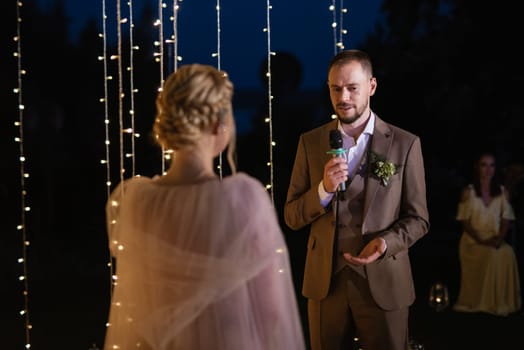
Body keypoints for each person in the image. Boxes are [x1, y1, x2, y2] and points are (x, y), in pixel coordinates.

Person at [103, 64, 305, 350]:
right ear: (217, 123)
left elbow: (134, 307)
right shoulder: (244, 198)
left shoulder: (135, 201)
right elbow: (271, 312)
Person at [284, 49, 430, 350]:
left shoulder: (405, 143)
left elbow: (419, 219)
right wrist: (323, 190)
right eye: (336, 88)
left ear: (372, 87)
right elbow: (292, 215)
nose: (344, 97)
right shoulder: (310, 143)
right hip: (326, 285)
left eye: (352, 87)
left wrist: (387, 242)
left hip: (384, 281)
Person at [453, 151, 522, 316]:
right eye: (484, 165)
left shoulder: (502, 192)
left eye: (492, 165)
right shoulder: (469, 192)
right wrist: (480, 239)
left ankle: (500, 302)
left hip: (494, 238)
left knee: (507, 252)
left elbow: (506, 219)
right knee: (492, 254)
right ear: (477, 167)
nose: (488, 169)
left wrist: (499, 239)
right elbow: (465, 222)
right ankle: (480, 301)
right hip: (472, 241)